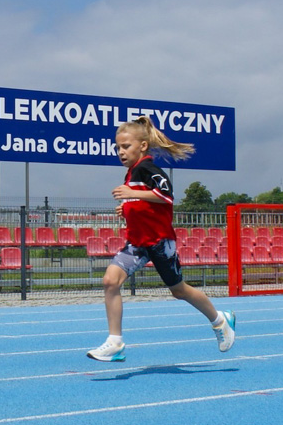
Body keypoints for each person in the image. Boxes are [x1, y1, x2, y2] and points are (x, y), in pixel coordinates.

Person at [86, 116, 235, 362]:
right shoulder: (132, 172)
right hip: (137, 243)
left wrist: (133, 193)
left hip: (159, 242)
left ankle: (220, 320)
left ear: (142, 146)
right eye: (118, 148)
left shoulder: (146, 167)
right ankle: (115, 342)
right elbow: (147, 201)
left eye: (126, 147)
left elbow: (166, 195)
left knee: (179, 291)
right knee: (110, 282)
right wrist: (129, 207)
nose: (121, 152)